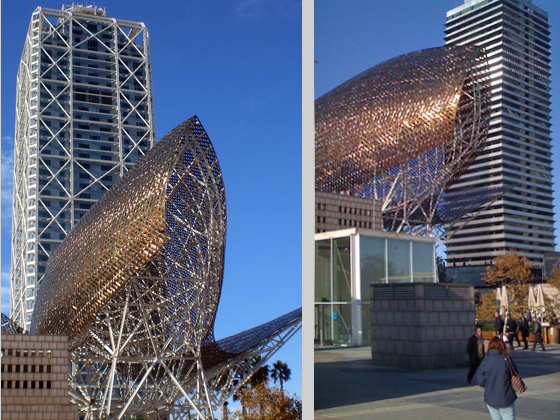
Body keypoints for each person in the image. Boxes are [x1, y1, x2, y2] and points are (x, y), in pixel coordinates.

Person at [477, 337, 518, 420]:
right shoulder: (506, 360)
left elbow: (481, 381)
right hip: (505, 396)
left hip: (491, 398)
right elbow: (516, 374)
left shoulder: (485, 361)